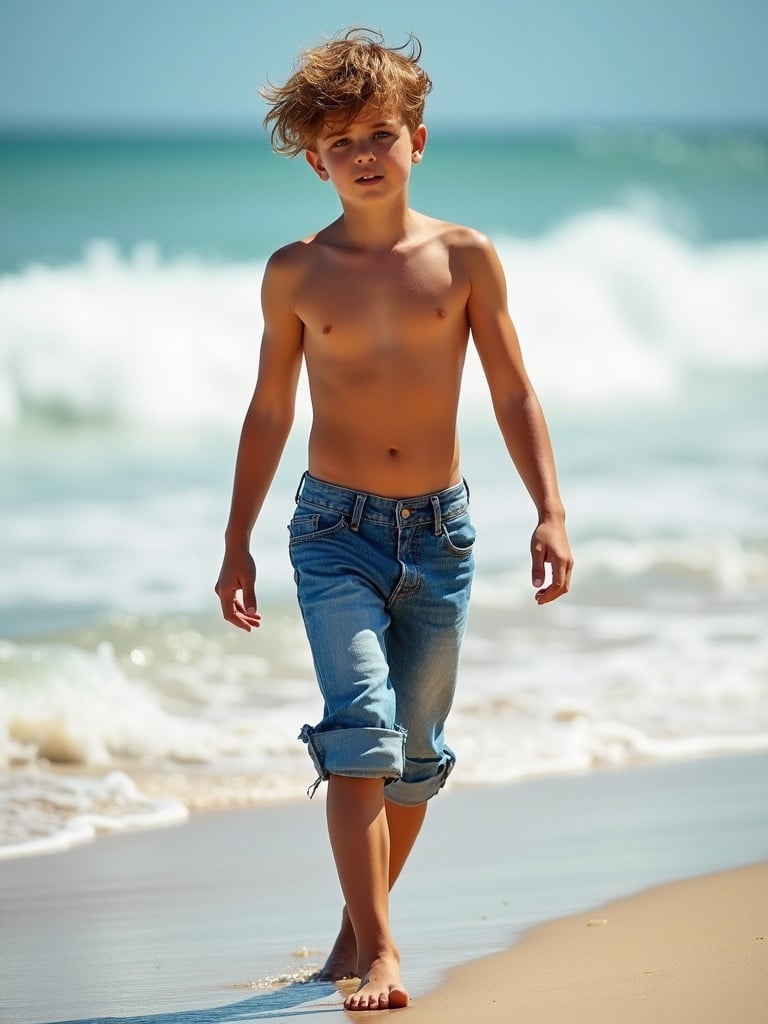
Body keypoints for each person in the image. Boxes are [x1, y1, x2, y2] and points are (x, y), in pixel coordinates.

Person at [215, 27, 573, 1012]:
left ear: (419, 139)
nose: (364, 155)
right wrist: (237, 538)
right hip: (333, 532)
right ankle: (383, 952)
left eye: (380, 133)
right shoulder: (295, 271)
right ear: (313, 160)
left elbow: (511, 390)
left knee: (415, 755)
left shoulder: (463, 257)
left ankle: (351, 931)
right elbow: (269, 410)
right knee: (360, 731)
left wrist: (550, 509)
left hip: (443, 533)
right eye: (340, 143)